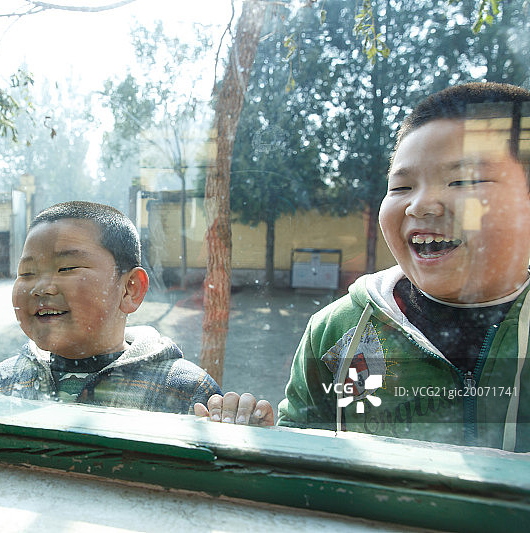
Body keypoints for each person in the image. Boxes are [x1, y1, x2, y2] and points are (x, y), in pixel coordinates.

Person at [197, 82, 530, 452]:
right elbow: (305, 447)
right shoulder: (338, 331)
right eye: (401, 187)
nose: (420, 205)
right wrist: (264, 437)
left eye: (464, 180)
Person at [0, 201, 221, 414]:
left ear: (130, 289)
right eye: (27, 272)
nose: (41, 288)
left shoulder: (186, 390)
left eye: (66, 268)